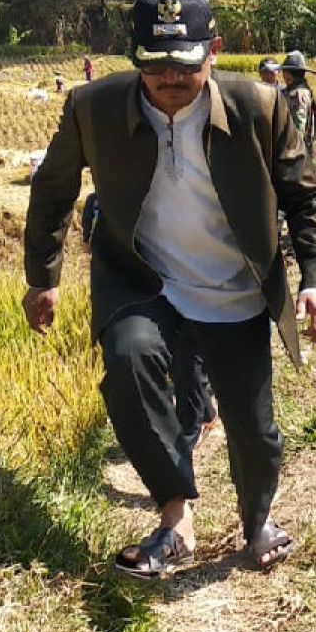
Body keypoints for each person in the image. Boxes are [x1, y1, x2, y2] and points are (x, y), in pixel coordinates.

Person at [24, 0, 316, 579]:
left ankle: (256, 519)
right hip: (144, 281)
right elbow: (54, 187)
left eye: (186, 66)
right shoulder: (93, 108)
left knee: (256, 433)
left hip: (235, 289)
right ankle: (176, 514)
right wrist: (44, 274)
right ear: (134, 57)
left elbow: (306, 199)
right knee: (128, 362)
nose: (170, 79)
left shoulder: (260, 107)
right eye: (155, 65)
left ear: (214, 51)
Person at [80, 191, 218, 451]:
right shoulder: (96, 203)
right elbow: (88, 244)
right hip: (144, 294)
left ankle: (188, 434)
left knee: (189, 359)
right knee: (180, 362)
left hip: (187, 285)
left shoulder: (160, 195)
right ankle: (203, 415)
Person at [280, 51, 316, 181]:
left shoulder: (298, 94)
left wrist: (293, 151)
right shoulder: (300, 90)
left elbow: (299, 125)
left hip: (304, 152)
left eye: (284, 73)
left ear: (288, 74)